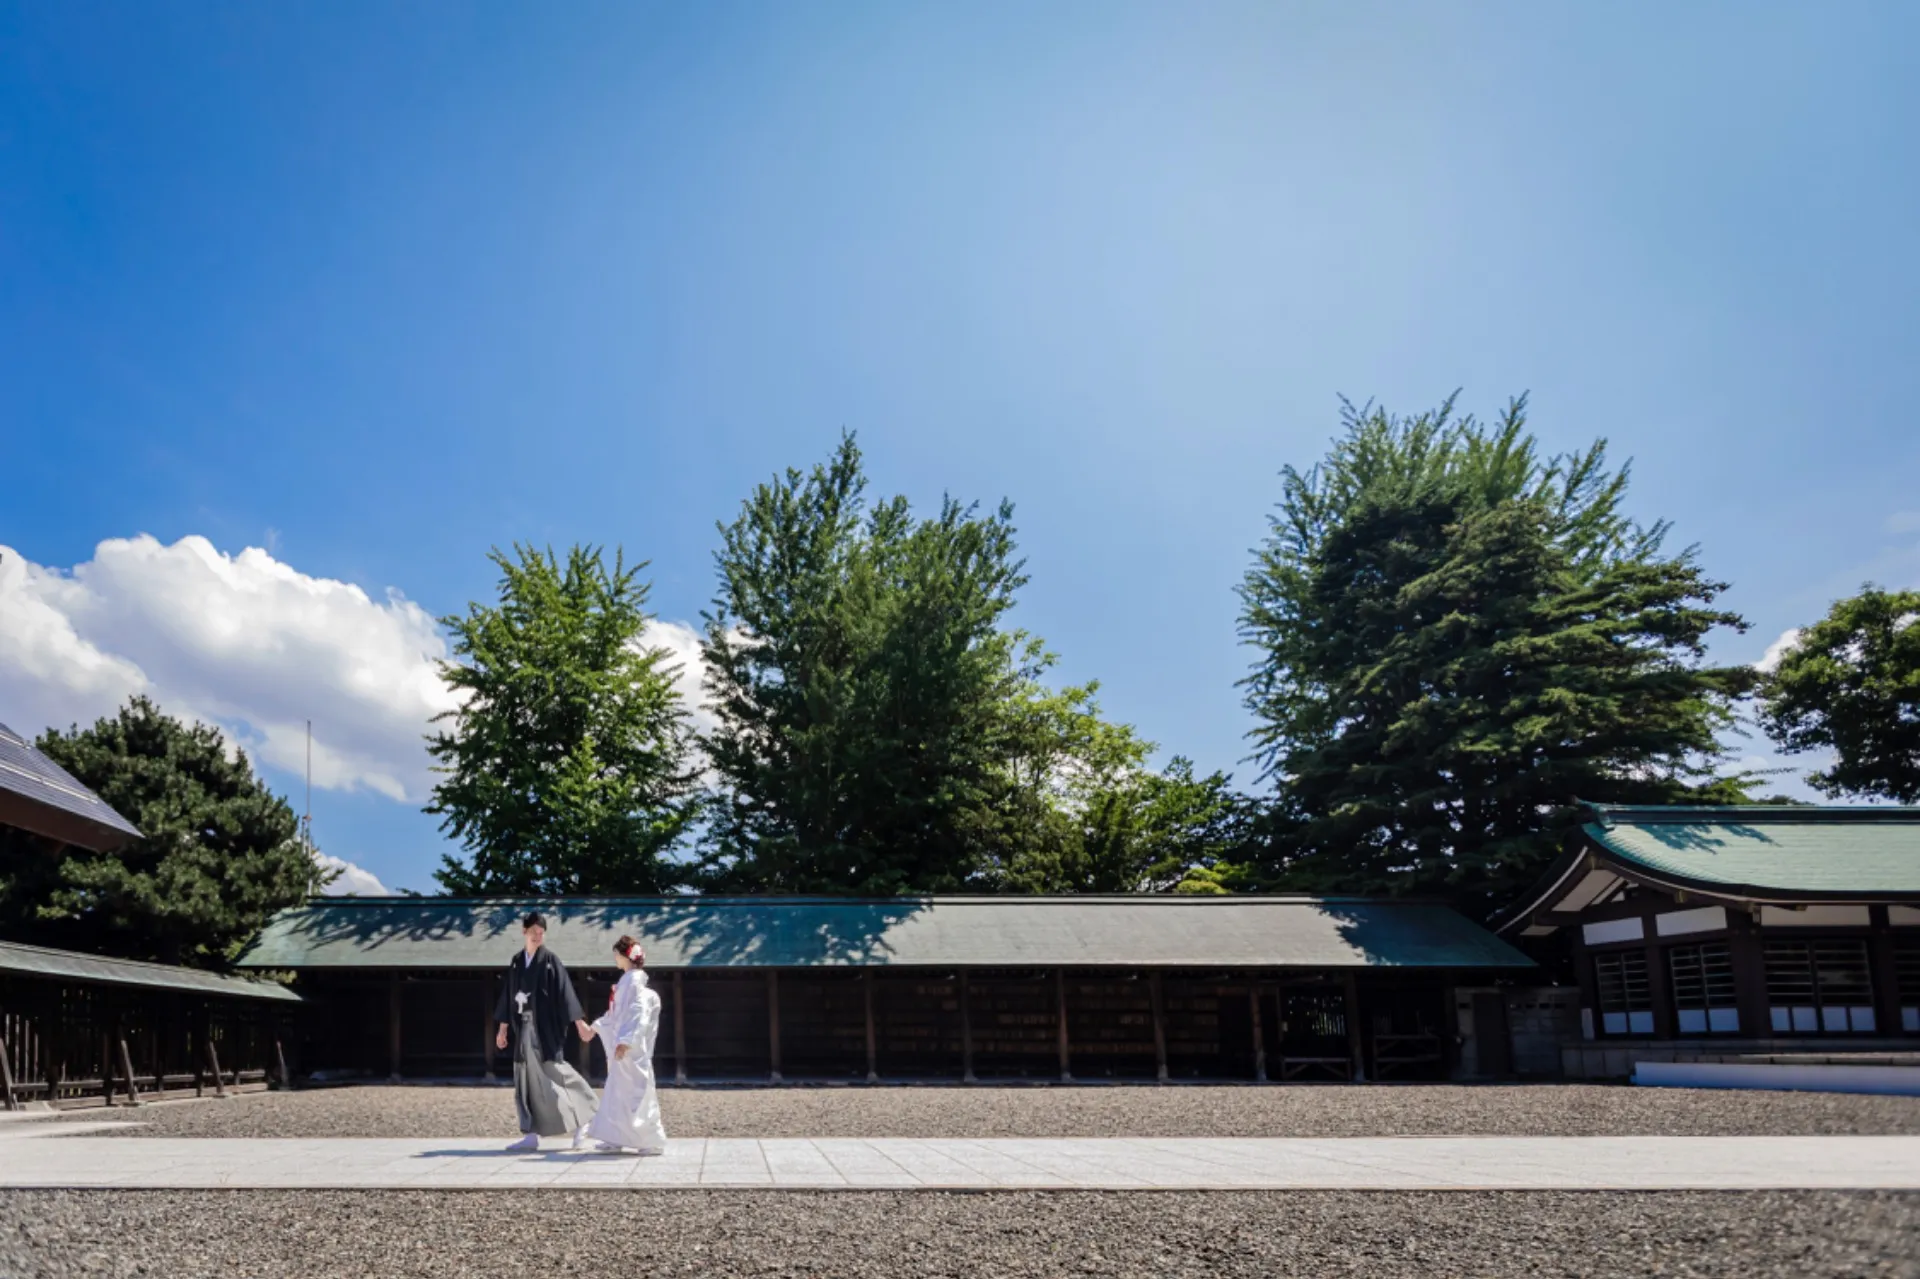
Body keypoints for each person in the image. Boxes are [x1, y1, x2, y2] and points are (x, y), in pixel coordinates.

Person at [494, 911, 600, 1152]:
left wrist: (579, 1022)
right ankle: (531, 1132)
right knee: (525, 1079)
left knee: (555, 1070)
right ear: (524, 932)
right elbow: (508, 996)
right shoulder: (516, 962)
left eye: (541, 934)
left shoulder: (550, 960)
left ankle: (584, 1116)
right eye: (533, 933)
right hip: (522, 1027)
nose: (537, 937)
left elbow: (565, 993)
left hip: (543, 1028)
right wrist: (503, 1029)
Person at [580, 935, 667, 1155]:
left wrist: (626, 1041)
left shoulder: (633, 980)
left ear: (622, 955)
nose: (615, 958)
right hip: (624, 1046)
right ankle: (613, 1136)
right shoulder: (628, 980)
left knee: (638, 1093)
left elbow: (636, 1011)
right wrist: (596, 1027)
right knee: (616, 1092)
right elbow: (615, 1015)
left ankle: (650, 1140)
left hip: (631, 1049)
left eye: (616, 954)